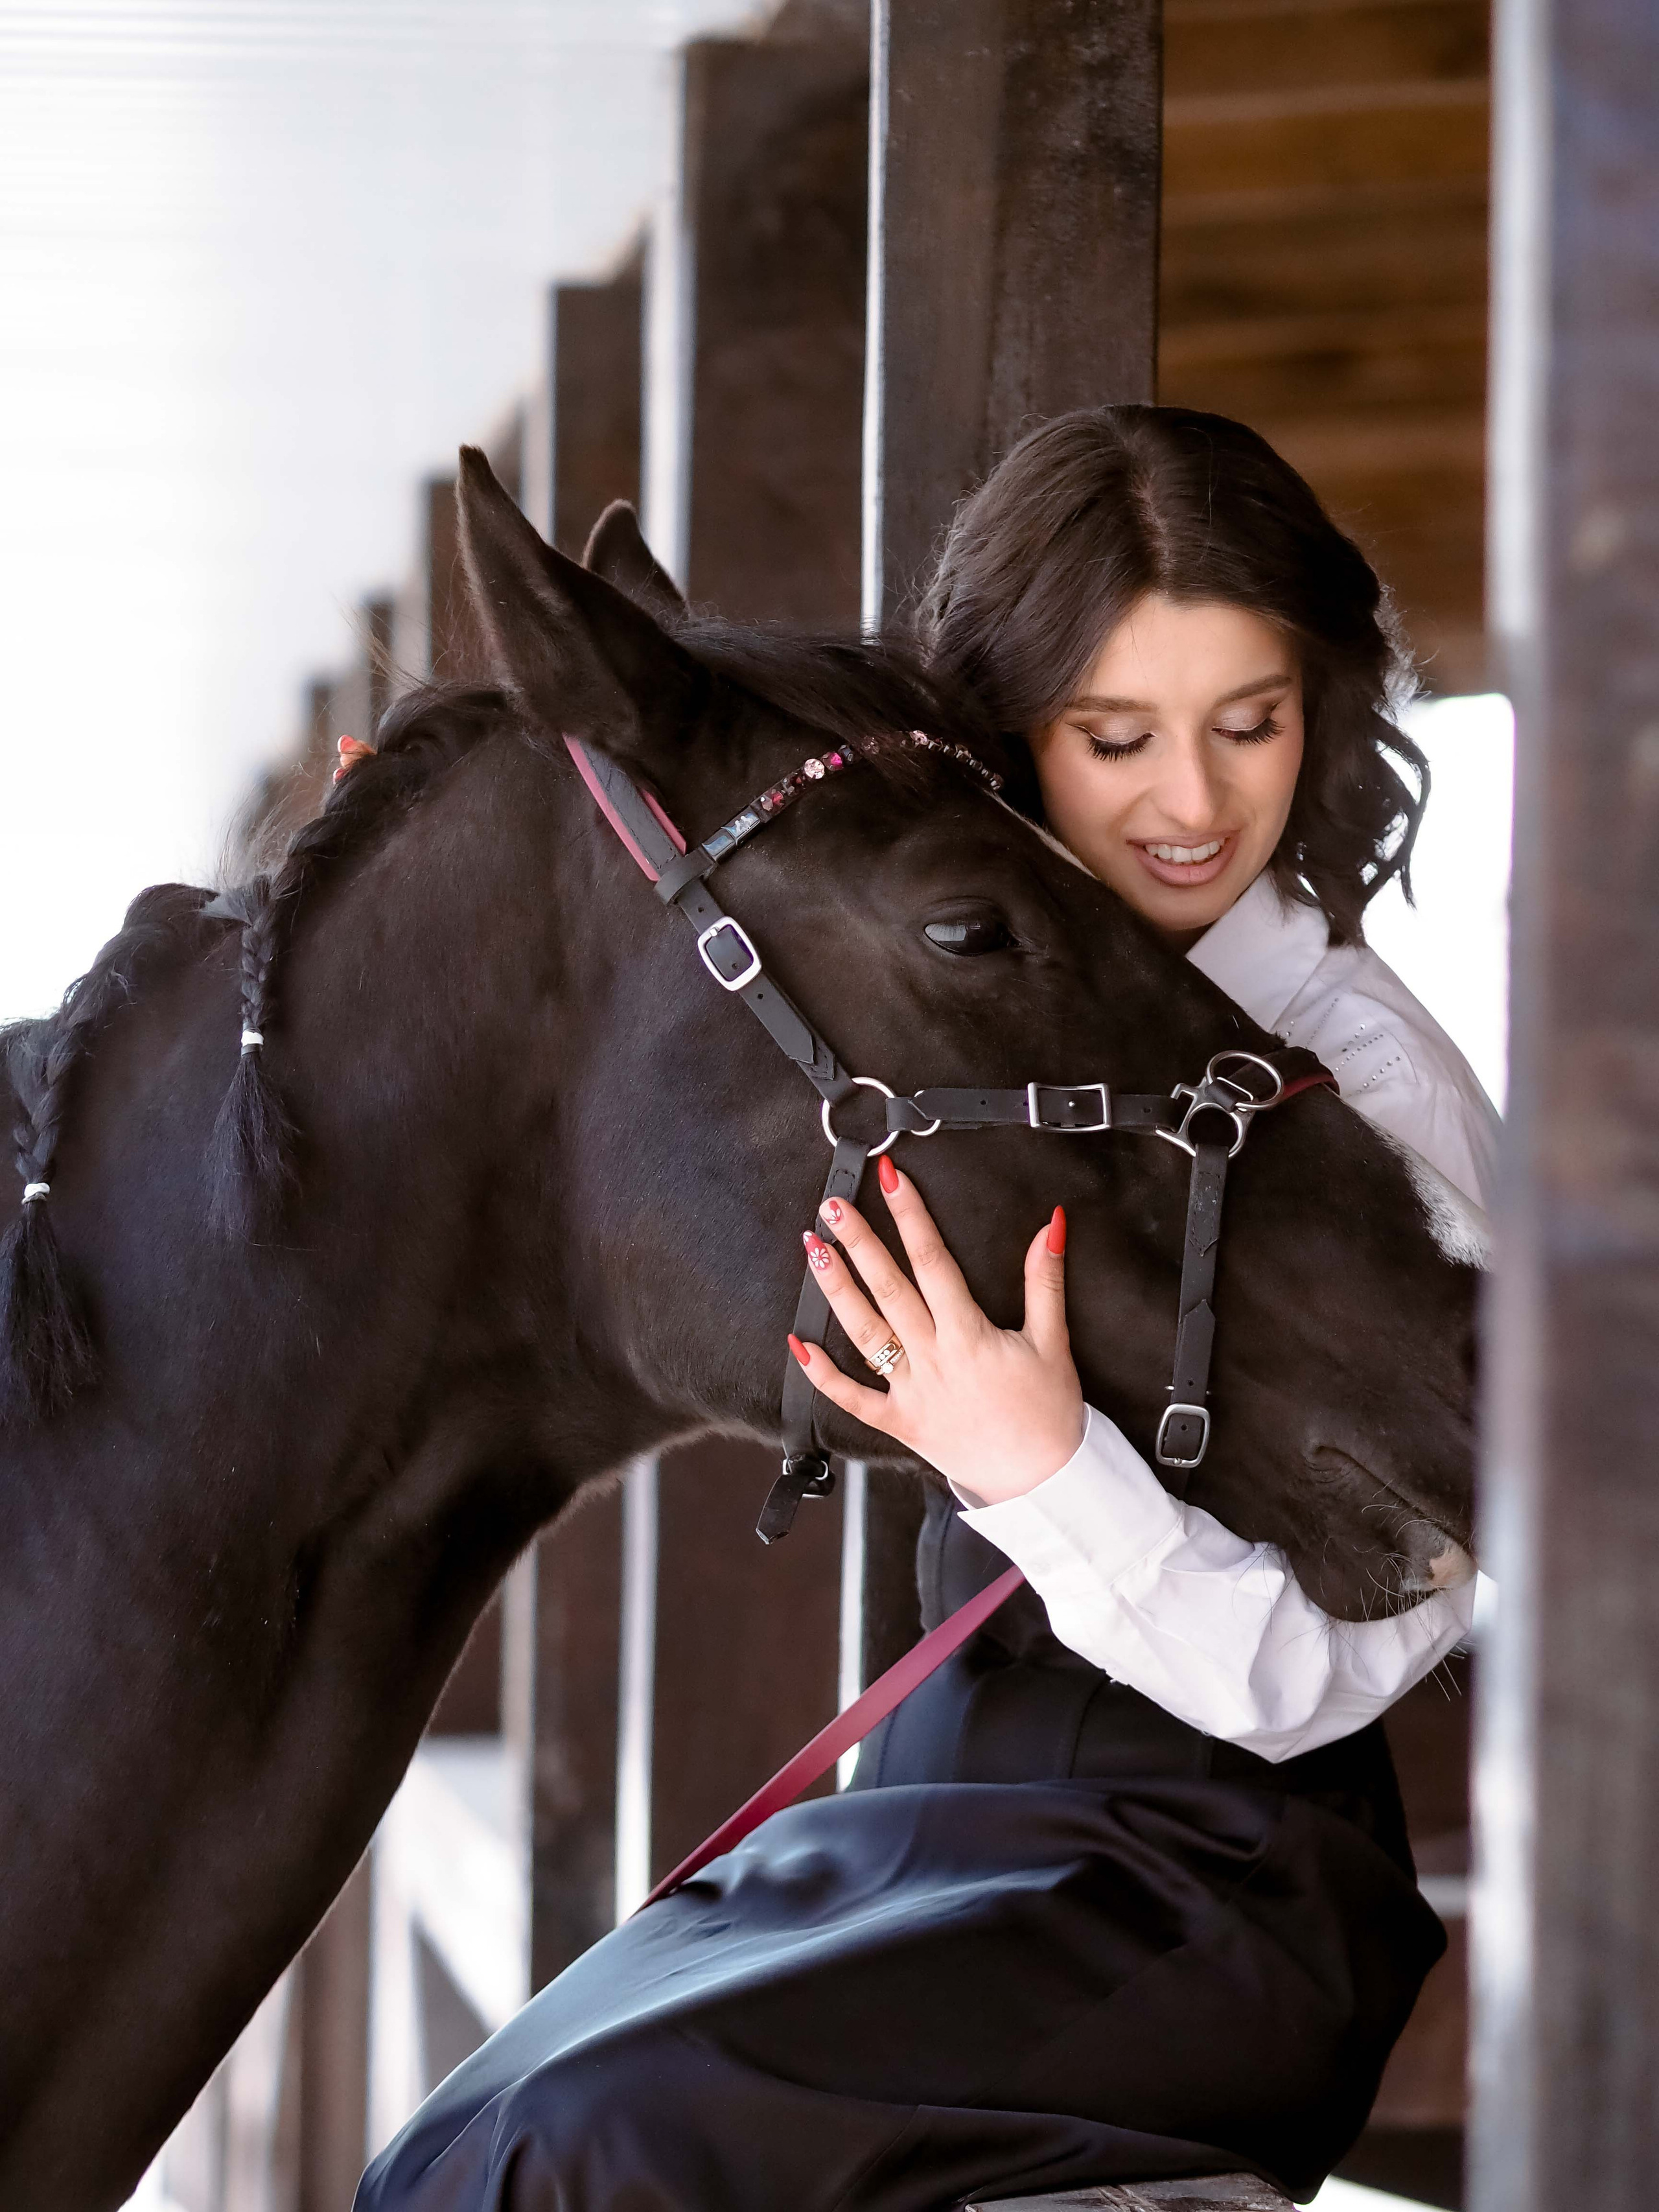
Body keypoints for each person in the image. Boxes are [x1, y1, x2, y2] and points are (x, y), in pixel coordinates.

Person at [357, 407, 1500, 2212]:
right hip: (938, 1816)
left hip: (1211, 1882)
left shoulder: (1360, 1083)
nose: (1190, 803)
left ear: (1325, 710)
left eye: (1249, 725)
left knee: (575, 2154)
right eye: (1115, 737)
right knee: (441, 2159)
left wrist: (1043, 1466)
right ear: (1006, 735)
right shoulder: (988, 1022)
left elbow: (1328, 1673)